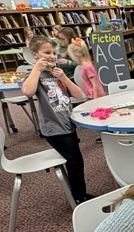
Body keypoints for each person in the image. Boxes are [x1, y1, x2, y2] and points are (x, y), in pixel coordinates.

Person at [21, 34, 91, 204]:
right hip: (54, 128)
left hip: (67, 124)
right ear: (35, 54)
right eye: (47, 52)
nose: (52, 56)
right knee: (74, 160)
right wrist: (37, 70)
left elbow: (78, 94)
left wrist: (63, 78)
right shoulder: (35, 75)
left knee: (75, 160)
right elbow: (27, 92)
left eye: (54, 52)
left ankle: (78, 194)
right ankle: (79, 197)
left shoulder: (57, 72)